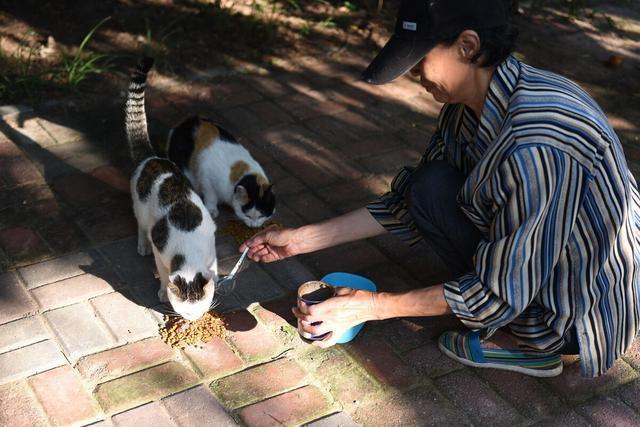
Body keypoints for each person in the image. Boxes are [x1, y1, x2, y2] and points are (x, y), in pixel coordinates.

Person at [240, 0, 640, 378]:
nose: (413, 73)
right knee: (430, 185)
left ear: (467, 46)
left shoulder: (534, 145)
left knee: (494, 292)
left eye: (420, 59)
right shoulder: (477, 100)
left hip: (577, 309)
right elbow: (408, 201)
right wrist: (300, 240)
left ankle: (534, 347)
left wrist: (374, 307)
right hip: (544, 260)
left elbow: (500, 293)